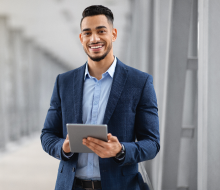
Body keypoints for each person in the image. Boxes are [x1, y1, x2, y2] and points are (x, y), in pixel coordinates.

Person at [41, 5, 160, 190]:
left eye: (101, 31)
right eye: (87, 33)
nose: (94, 39)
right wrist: (62, 148)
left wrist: (120, 150)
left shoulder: (140, 82)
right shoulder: (63, 82)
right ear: (81, 38)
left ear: (113, 34)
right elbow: (47, 135)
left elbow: (152, 143)